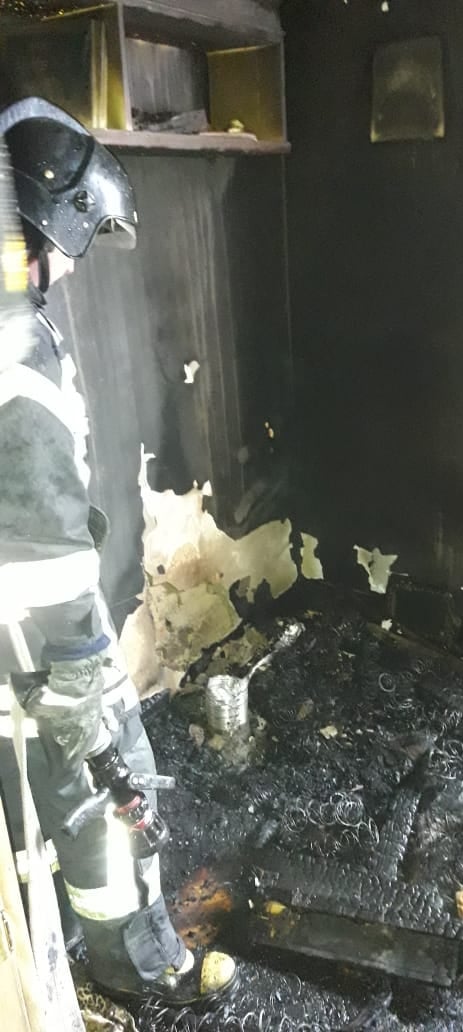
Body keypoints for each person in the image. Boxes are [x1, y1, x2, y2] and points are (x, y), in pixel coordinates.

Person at [0, 97, 238, 1007]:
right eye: (75, 240)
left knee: (45, 796)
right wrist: (78, 670)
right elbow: (41, 536)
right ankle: (138, 972)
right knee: (111, 799)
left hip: (21, 638)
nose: (73, 261)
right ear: (42, 220)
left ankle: (64, 950)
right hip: (41, 640)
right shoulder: (15, 346)